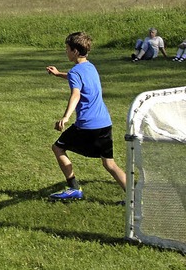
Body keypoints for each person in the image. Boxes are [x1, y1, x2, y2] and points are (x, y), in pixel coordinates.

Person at [45, 32, 126, 201]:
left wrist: (66, 117)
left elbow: (76, 94)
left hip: (87, 126)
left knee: (58, 148)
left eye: (67, 49)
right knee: (109, 163)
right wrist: (59, 73)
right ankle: (135, 197)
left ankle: (74, 188)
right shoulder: (90, 67)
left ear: (75, 51)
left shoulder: (76, 72)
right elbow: (76, 77)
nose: (66, 52)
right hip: (105, 123)